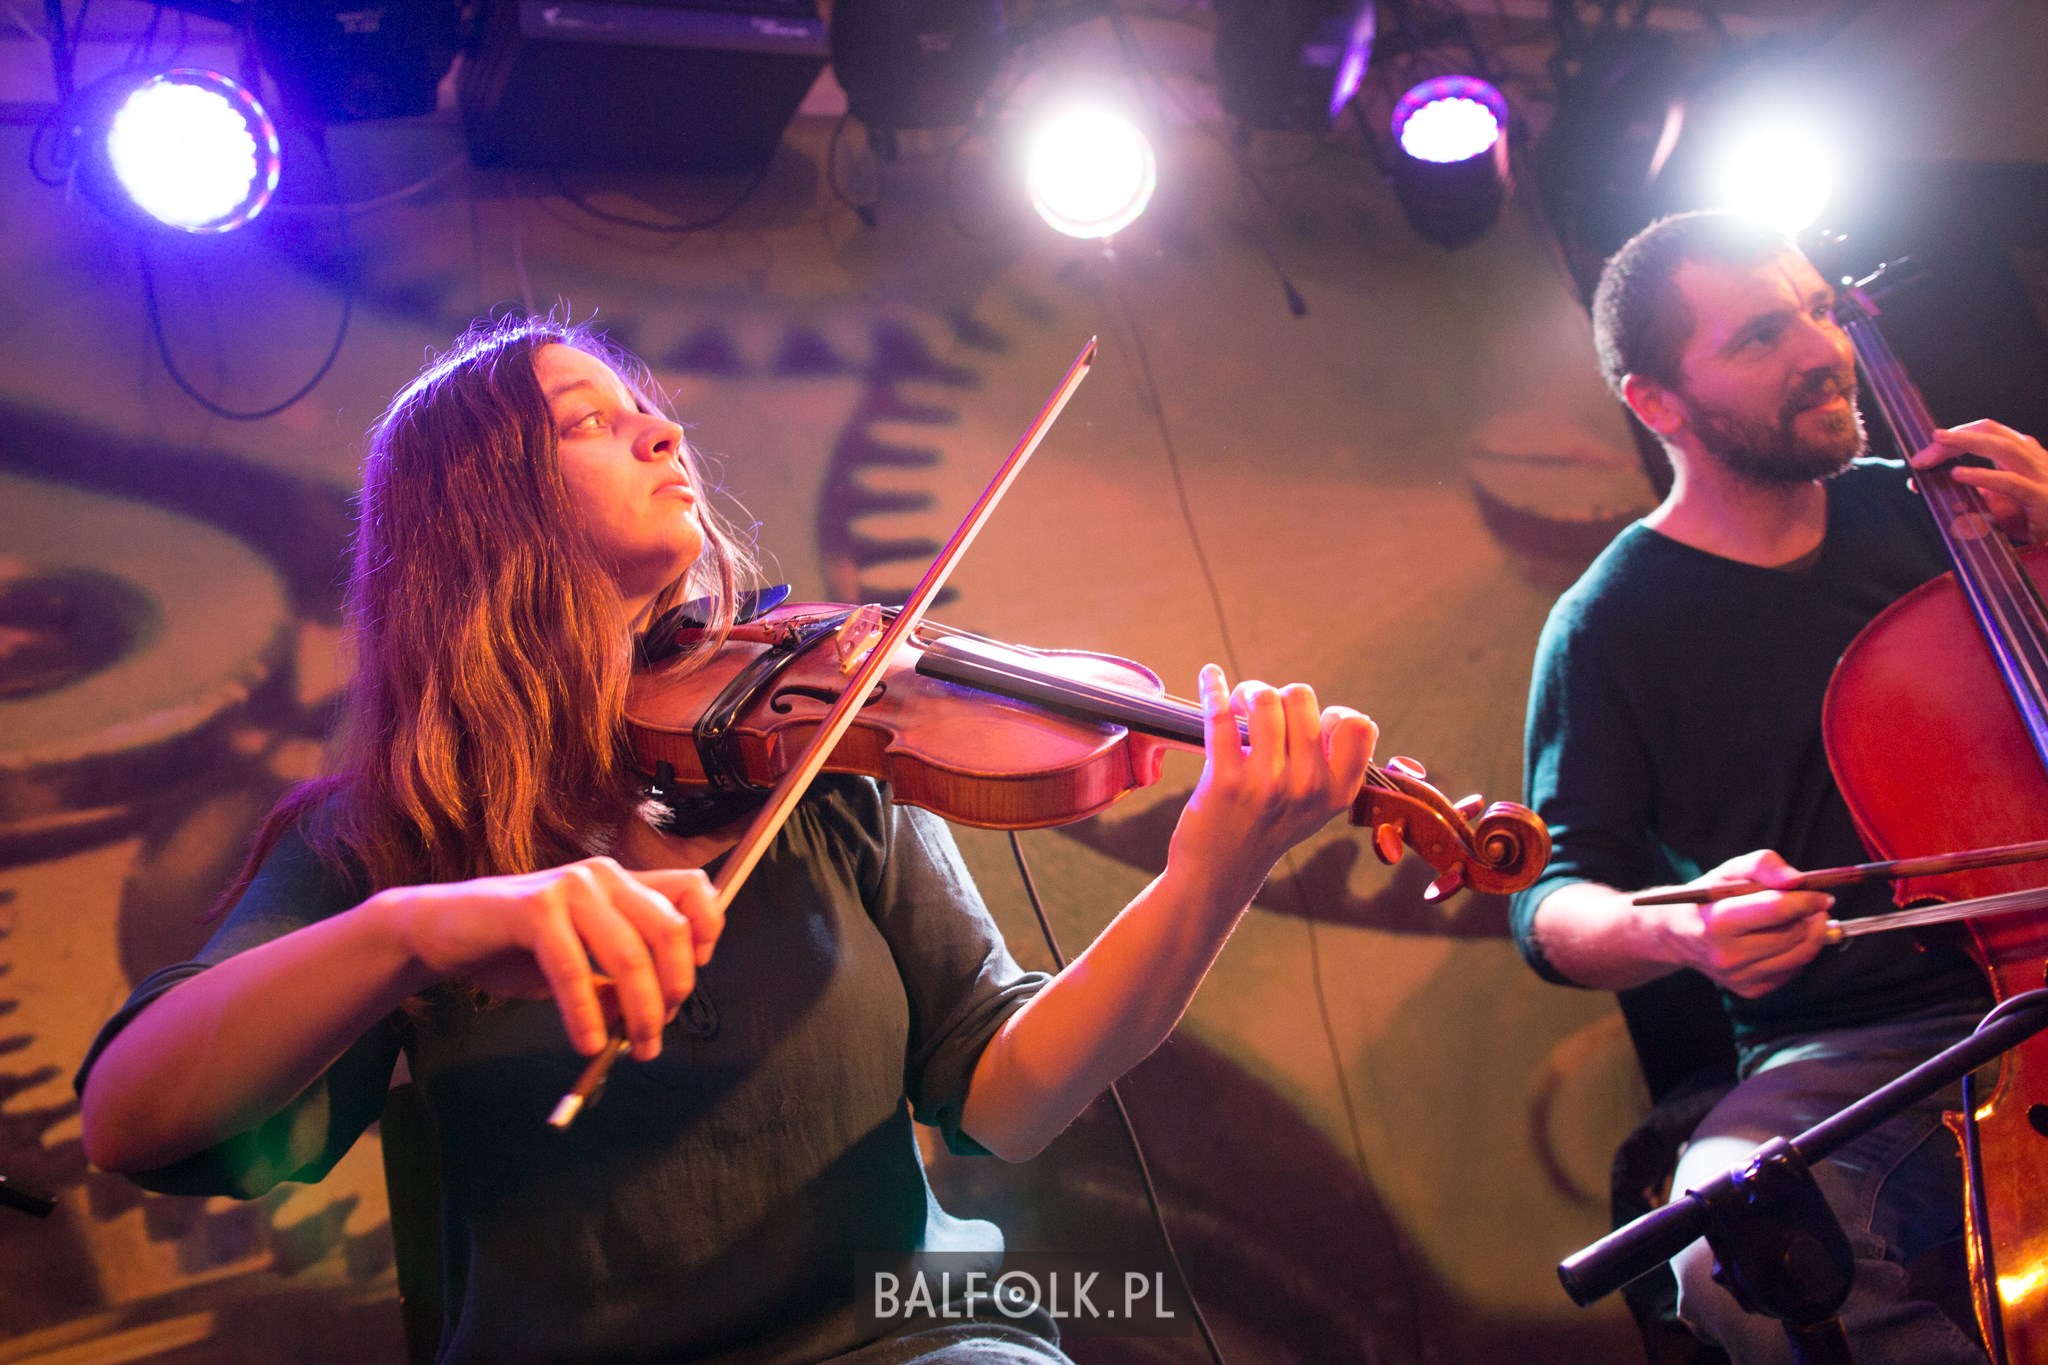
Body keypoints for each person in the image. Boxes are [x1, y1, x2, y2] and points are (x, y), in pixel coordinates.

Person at [75, 317, 1379, 1365]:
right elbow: (130, 1118)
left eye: (648, 408)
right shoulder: (387, 836)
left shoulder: (813, 764)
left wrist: (1213, 871)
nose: (663, 425)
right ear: (476, 513)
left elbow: (1005, 1095)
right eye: (592, 417)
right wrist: (416, 928)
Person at [1510, 210, 2048, 1365]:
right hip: (1857, 1042)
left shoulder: (1951, 510)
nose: (1820, 346)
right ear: (1653, 402)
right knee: (1725, 1255)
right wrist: (1686, 933)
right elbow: (1553, 902)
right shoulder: (1607, 626)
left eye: (1818, 308)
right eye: (1760, 334)